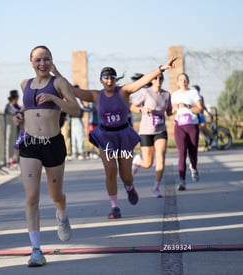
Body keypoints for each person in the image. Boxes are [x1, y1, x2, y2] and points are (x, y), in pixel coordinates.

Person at [56, 57, 177, 219]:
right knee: (110, 170)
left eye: (112, 77)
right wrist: (54, 73)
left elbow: (142, 81)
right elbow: (70, 89)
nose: (109, 80)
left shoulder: (123, 91)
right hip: (105, 136)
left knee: (126, 175)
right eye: (106, 78)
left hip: (123, 135)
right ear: (101, 80)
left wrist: (161, 68)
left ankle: (129, 187)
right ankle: (115, 207)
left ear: (115, 79)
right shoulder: (95, 96)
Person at [12, 45, 80, 267]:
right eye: (38, 60)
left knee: (56, 195)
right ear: (31, 62)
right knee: (31, 197)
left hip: (53, 143)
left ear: (51, 61)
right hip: (30, 144)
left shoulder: (59, 83)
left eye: (46, 59)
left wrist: (55, 99)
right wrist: (19, 118)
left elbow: (76, 110)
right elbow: (28, 111)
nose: (42, 63)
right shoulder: (25, 84)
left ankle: (62, 214)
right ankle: (36, 250)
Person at [130, 73, 173, 198]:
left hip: (160, 130)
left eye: (160, 78)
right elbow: (132, 107)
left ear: (163, 80)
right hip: (146, 131)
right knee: (148, 163)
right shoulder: (146, 93)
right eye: (156, 78)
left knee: (161, 156)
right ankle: (138, 161)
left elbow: (169, 112)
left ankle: (156, 188)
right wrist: (142, 110)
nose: (158, 80)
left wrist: (175, 109)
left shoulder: (167, 95)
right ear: (152, 80)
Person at [171, 73, 203, 191]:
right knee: (182, 153)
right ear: (178, 83)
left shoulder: (193, 92)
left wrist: (187, 106)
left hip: (192, 125)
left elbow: (200, 109)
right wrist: (173, 109)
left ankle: (193, 167)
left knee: (193, 152)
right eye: (180, 80)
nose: (183, 81)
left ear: (188, 81)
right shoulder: (174, 95)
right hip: (180, 126)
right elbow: (169, 112)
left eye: (185, 79)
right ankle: (182, 181)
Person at [69, 92, 90, 160]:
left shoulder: (71, 99)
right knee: (77, 136)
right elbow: (83, 108)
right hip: (75, 120)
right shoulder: (77, 99)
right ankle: (79, 152)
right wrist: (89, 109)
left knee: (76, 136)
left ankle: (76, 153)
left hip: (74, 120)